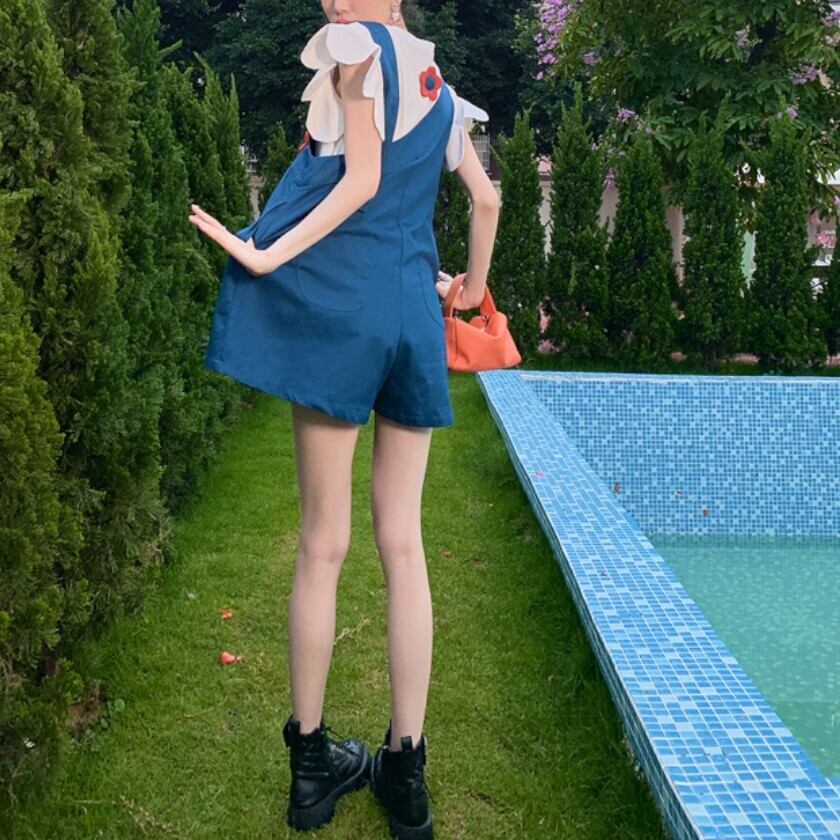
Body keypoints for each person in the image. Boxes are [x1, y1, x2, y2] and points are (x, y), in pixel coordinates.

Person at [188, 1, 499, 837]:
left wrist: (264, 253)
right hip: (412, 315)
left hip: (344, 312)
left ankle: (312, 771)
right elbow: (486, 201)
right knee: (404, 543)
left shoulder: (355, 47)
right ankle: (407, 773)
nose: (333, 1)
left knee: (323, 544)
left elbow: (359, 181)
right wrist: (467, 292)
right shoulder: (440, 88)